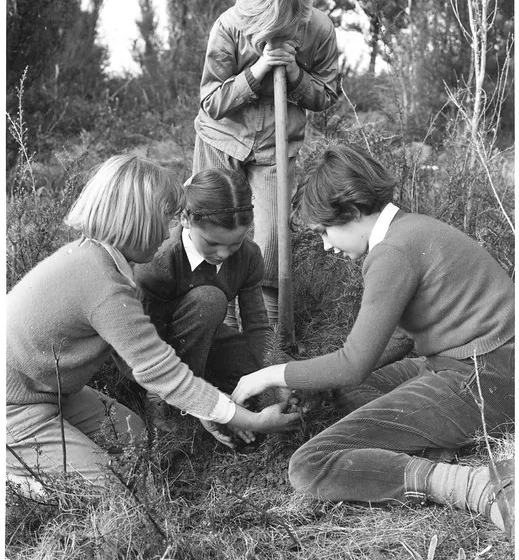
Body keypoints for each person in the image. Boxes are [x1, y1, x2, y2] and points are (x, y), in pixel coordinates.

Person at [231, 144, 515, 537]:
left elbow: (353, 363)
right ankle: (430, 442)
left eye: (325, 231)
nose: (328, 245)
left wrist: (270, 375)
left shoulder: (392, 252)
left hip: (484, 377)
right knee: (349, 394)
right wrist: (318, 384)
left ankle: (474, 486)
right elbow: (396, 340)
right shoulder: (409, 229)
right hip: (480, 363)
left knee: (310, 464)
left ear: (350, 212)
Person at [6, 154, 300, 495]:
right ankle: (14, 479)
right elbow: (156, 369)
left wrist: (204, 406)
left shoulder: (98, 261)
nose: (166, 232)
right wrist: (247, 419)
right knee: (119, 489)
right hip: (14, 405)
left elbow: (165, 367)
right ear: (138, 221)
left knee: (136, 439)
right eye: (164, 220)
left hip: (56, 394)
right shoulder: (102, 282)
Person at [193, 0, 339, 324]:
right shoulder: (229, 25)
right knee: (216, 231)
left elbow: (327, 95)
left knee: (273, 242)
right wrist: (257, 71)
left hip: (276, 148)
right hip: (221, 142)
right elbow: (211, 102)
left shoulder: (318, 29)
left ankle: (272, 340)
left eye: (287, 31)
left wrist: (293, 73)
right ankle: (220, 330)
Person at [132, 168, 277, 443]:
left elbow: (257, 324)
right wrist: (197, 399)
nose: (223, 253)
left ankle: (215, 390)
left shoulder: (248, 256)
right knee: (209, 300)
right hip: (157, 354)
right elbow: (145, 342)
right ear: (186, 218)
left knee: (257, 367)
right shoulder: (159, 262)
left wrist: (272, 376)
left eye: (235, 243)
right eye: (212, 243)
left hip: (203, 340)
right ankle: (163, 404)